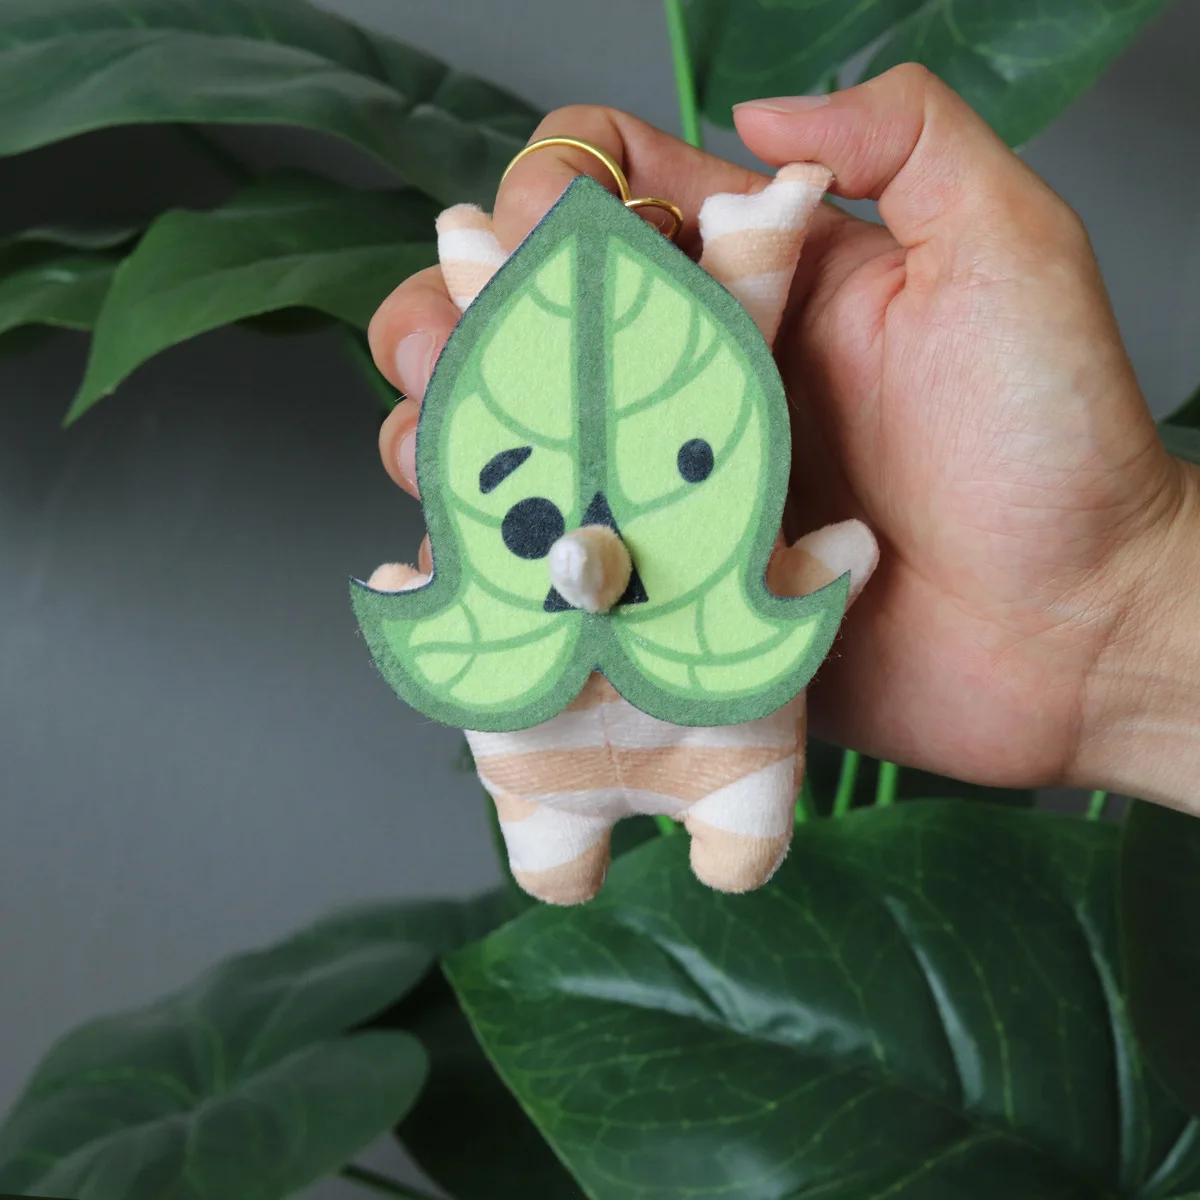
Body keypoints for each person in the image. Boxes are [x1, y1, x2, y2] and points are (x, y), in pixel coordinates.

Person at [365, 64, 1200, 813]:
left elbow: (826, 556)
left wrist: (1125, 604)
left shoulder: (726, 368)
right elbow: (831, 556)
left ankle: (691, 820)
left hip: (731, 693)